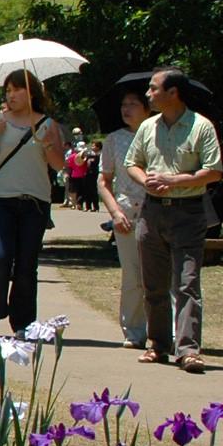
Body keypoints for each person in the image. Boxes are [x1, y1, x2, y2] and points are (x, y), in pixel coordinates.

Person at [125, 67, 223, 373]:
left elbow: (215, 170)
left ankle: (189, 350)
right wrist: (145, 181)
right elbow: (132, 162)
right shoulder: (148, 127)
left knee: (186, 283)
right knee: (153, 283)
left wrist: (176, 180)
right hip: (152, 212)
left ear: (173, 93)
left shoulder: (201, 127)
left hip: (189, 211)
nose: (148, 94)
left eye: (154, 89)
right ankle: (158, 345)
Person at [0, 70, 67, 334]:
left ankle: (24, 322)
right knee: (0, 257)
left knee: (27, 265)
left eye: (17, 89)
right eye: (8, 90)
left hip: (35, 203)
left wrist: (49, 145)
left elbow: (59, 165)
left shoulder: (47, 125)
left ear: (32, 93)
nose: (11, 95)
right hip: (2, 199)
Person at [99, 90, 153, 349]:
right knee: (132, 274)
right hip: (126, 212)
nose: (126, 108)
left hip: (157, 211)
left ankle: (167, 331)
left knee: (162, 274)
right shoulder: (114, 140)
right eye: (124, 104)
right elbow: (104, 181)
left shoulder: (160, 135)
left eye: (133, 104)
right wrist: (114, 213)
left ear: (147, 108)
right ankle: (134, 330)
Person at [64, 129, 90, 209]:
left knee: (77, 189)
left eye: (79, 133)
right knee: (72, 188)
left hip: (80, 172)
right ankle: (72, 202)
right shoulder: (72, 147)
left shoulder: (84, 150)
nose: (79, 135)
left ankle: (76, 203)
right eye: (77, 133)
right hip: (75, 171)